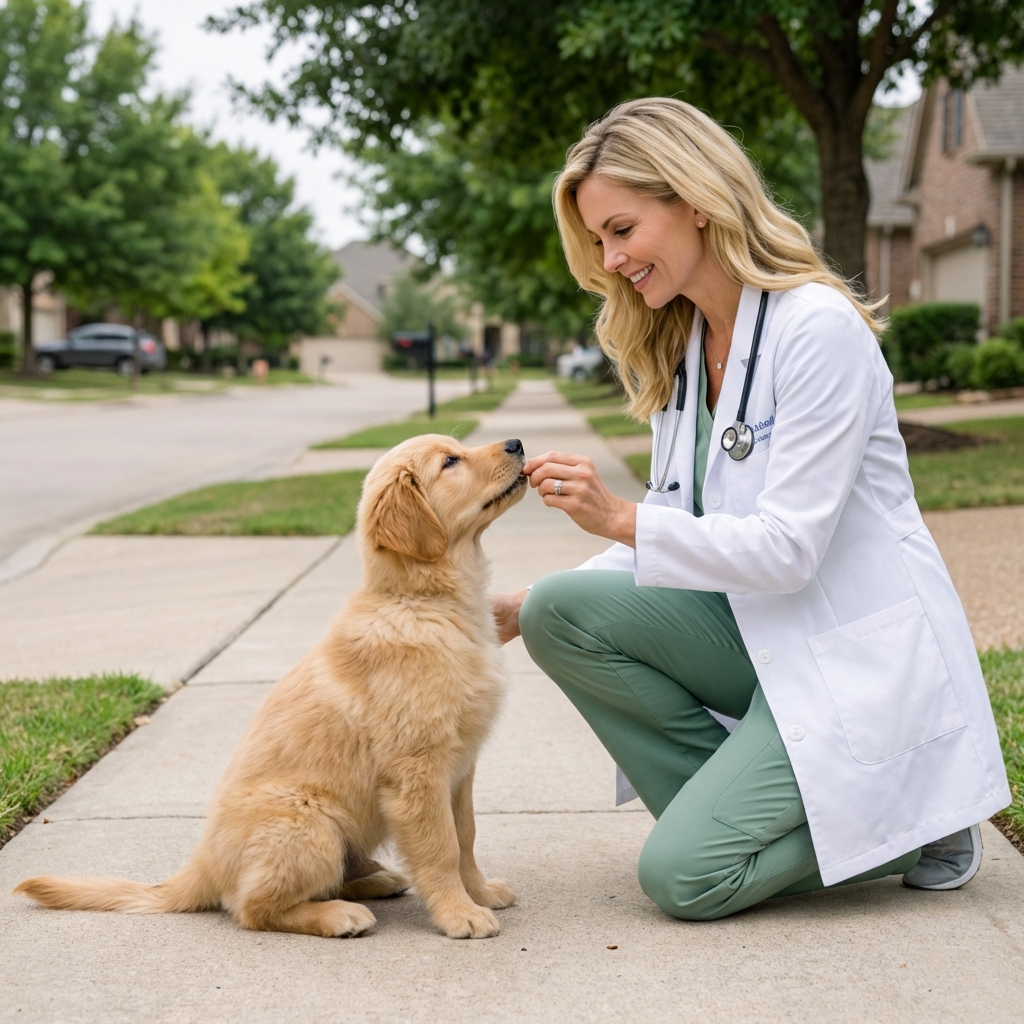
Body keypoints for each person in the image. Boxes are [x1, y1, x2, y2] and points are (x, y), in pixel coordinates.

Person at [490, 98, 1009, 921]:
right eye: (599, 242)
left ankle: (920, 827)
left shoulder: (817, 331)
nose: (612, 258)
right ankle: (769, 807)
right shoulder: (688, 350)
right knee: (558, 612)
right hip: (758, 641)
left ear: (694, 200)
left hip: (848, 653)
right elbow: (679, 522)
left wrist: (617, 517)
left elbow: (787, 551)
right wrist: (516, 607)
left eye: (622, 229)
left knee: (684, 879)